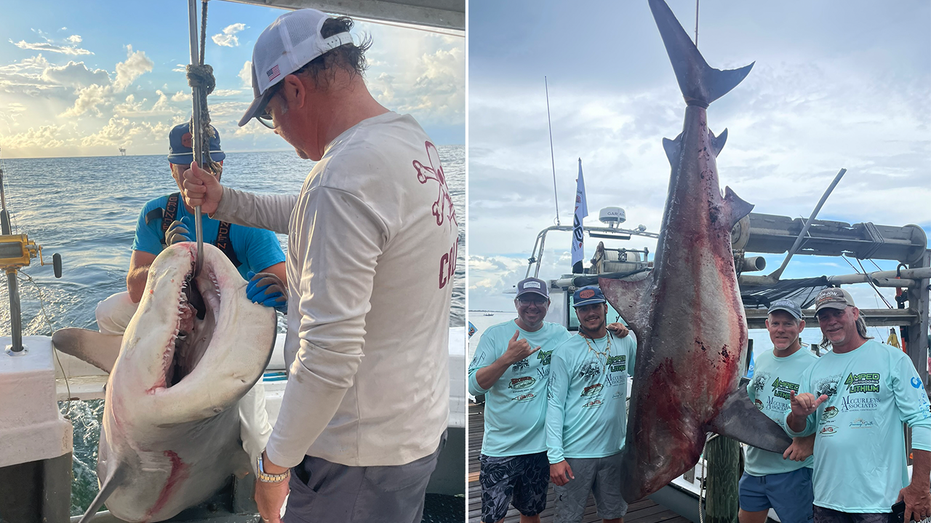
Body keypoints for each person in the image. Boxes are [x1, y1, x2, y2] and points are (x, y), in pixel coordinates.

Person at [180, 9, 458, 523]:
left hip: (355, 459)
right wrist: (224, 200)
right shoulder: (406, 141)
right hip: (411, 434)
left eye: (270, 114)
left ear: (295, 90)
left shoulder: (344, 175)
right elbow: (319, 211)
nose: (278, 130)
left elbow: (329, 358)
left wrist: (273, 467)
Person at [94, 121, 287, 335]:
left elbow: (283, 283)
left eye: (207, 167)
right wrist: (167, 261)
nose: (196, 178)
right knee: (109, 312)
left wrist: (279, 291)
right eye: (186, 168)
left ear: (221, 164)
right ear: (172, 169)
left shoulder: (245, 218)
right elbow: (135, 290)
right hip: (171, 309)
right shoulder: (156, 214)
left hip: (229, 314)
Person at [787, 287, 931, 522]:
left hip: (881, 503)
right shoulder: (814, 369)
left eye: (838, 313)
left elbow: (923, 421)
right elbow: (799, 429)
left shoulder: (892, 359)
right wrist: (799, 416)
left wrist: (920, 486)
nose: (831, 321)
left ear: (854, 313)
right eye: (824, 316)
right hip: (826, 499)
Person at [546, 286, 636, 523]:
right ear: (577, 313)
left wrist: (631, 332)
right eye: (584, 309)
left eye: (595, 306)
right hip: (575, 453)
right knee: (568, 519)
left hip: (615, 450)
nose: (590, 313)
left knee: (614, 515)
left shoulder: (624, 342)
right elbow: (554, 404)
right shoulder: (564, 351)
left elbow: (642, 374)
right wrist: (555, 456)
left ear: (605, 308)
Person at [739, 299, 817, 523]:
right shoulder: (762, 359)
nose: (781, 329)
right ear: (767, 325)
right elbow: (749, 402)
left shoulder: (814, 365)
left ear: (801, 326)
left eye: (788, 323)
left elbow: (830, 413)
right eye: (775, 323)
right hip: (754, 466)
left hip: (792, 470)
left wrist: (810, 439)